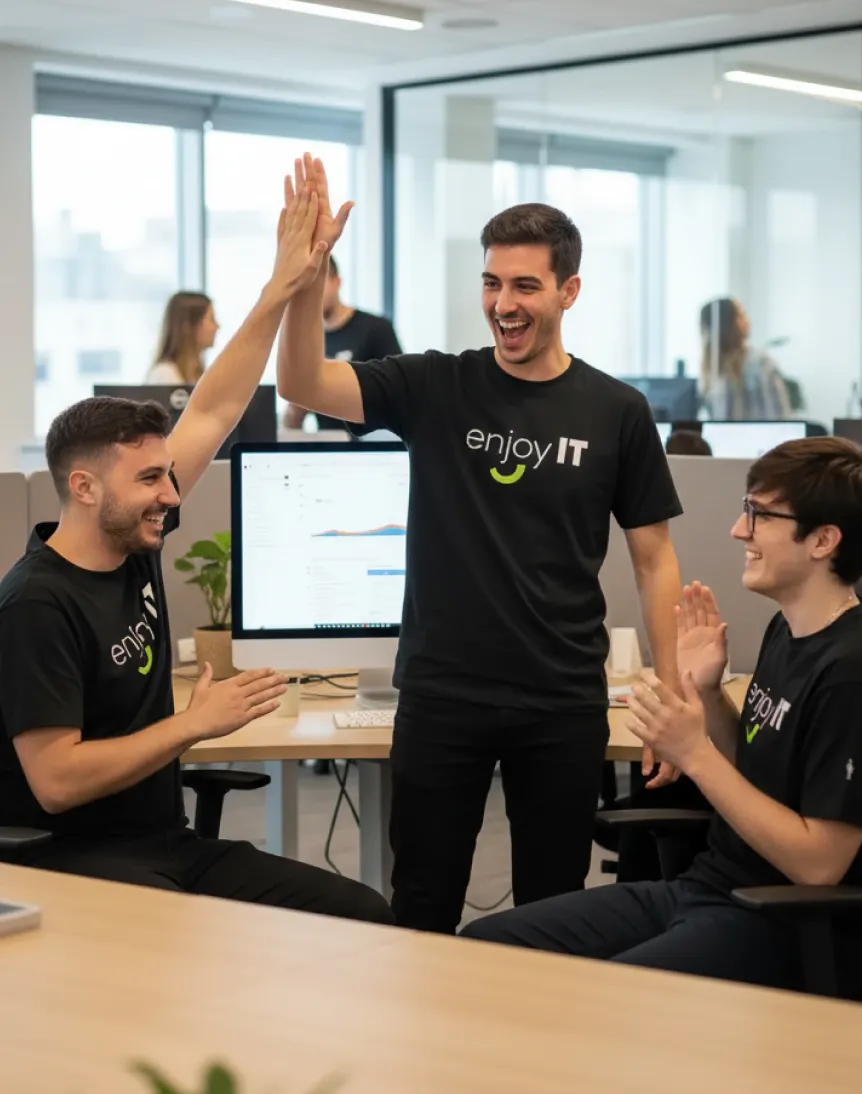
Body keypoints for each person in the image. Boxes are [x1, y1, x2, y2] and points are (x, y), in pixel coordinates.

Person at [277, 154, 684, 934]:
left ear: (568, 291)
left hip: (561, 700)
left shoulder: (617, 410)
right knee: (422, 905)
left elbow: (654, 558)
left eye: (525, 286)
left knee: (552, 912)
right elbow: (301, 382)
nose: (504, 303)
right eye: (492, 284)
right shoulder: (437, 385)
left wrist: (670, 697)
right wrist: (307, 278)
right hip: (442, 694)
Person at [0, 182, 393, 927]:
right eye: (149, 478)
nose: (171, 494)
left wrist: (285, 284)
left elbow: (214, 405)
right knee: (189, 947)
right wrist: (193, 723)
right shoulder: (35, 605)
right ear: (83, 487)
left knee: (360, 909)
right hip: (72, 861)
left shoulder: (131, 539)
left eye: (166, 475)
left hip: (163, 843)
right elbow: (54, 781)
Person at [463, 437, 862, 996]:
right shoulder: (788, 632)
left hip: (776, 919)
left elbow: (820, 865)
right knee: (485, 947)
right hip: (706, 887)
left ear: (823, 540)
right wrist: (709, 695)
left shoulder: (848, 672)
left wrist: (694, 754)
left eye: (759, 514)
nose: (738, 530)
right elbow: (758, 772)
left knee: (602, 1002)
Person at [284, 254, 402, 432]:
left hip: (371, 447)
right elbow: (291, 423)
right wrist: (295, 408)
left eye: (316, 287)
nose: (311, 297)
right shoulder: (307, 342)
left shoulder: (375, 329)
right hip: (329, 446)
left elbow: (401, 395)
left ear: (336, 283)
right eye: (303, 290)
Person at [700, 297, 792, 421]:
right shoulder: (713, 369)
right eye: (741, 315)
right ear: (727, 324)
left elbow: (780, 416)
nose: (748, 321)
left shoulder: (760, 363)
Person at [146, 292, 220, 385]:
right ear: (188, 326)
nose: (217, 326)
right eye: (211, 319)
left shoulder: (197, 374)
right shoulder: (165, 374)